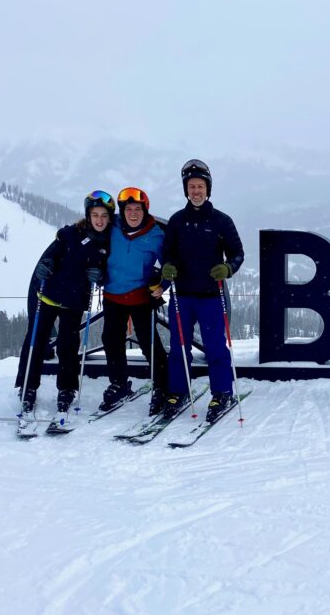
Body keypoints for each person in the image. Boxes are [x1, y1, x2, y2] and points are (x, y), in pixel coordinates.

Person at [16, 190, 113, 428]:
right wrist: (46, 265)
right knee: (36, 341)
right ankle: (28, 387)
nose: (99, 220)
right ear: (88, 216)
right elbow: (50, 256)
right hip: (49, 294)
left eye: (103, 215)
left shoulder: (108, 243)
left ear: (109, 218)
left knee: (68, 346)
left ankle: (67, 389)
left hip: (74, 301)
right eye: (95, 215)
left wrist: (100, 277)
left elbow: (108, 274)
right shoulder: (69, 234)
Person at [160, 159, 244, 422]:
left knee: (215, 347)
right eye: (191, 186)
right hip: (182, 295)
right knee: (179, 347)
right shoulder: (177, 221)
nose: (196, 191)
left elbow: (238, 253)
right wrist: (167, 267)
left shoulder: (221, 221)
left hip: (210, 296)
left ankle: (222, 392)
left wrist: (228, 268)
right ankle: (178, 391)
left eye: (200, 186)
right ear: (186, 190)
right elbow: (166, 253)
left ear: (208, 189)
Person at [100, 186, 169, 414]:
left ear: (145, 210)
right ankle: (119, 384)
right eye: (128, 209)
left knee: (150, 344)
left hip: (141, 297)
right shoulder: (112, 228)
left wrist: (163, 285)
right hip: (113, 295)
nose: (132, 213)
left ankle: (162, 386)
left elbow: (169, 266)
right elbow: (90, 237)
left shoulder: (157, 235)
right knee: (112, 340)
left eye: (137, 209)